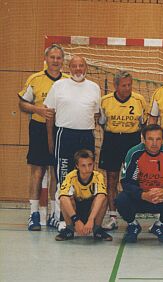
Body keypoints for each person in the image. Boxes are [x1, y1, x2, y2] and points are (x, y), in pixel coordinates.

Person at [44, 55, 101, 230]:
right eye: (74, 66)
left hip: (86, 136)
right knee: (63, 178)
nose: (78, 69)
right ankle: (61, 218)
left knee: (86, 176)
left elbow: (96, 114)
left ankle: (86, 218)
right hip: (64, 135)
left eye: (81, 66)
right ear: (69, 68)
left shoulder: (94, 87)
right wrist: (50, 140)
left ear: (86, 68)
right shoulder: (58, 86)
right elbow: (49, 114)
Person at [18, 44, 70, 231]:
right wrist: (38, 109)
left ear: (63, 60)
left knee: (57, 171)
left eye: (59, 58)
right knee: (38, 171)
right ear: (46, 59)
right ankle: (34, 214)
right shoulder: (35, 79)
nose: (56, 61)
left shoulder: (68, 81)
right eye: (52, 57)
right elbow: (22, 104)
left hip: (61, 129)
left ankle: (56, 215)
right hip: (39, 128)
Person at [115, 124, 163, 243]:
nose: (154, 143)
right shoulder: (134, 153)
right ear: (143, 140)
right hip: (140, 198)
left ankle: (160, 225)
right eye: (150, 139)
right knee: (121, 199)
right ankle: (133, 225)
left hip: (162, 198)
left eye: (158, 139)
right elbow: (126, 182)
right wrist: (143, 195)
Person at [98, 71, 148, 231]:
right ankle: (113, 216)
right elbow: (101, 123)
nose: (127, 88)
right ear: (116, 85)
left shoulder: (139, 100)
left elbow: (144, 125)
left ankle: (131, 217)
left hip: (132, 142)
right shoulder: (105, 101)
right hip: (112, 140)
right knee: (111, 179)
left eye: (129, 85)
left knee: (132, 180)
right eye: (124, 85)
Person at [55, 149, 112, 241]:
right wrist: (76, 220)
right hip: (76, 212)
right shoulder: (71, 176)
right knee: (65, 198)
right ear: (77, 166)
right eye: (83, 165)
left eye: (90, 165)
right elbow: (63, 198)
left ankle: (97, 229)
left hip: (91, 211)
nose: (87, 169)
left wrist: (90, 220)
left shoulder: (98, 176)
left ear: (93, 164)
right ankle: (69, 229)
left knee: (103, 198)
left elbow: (101, 197)